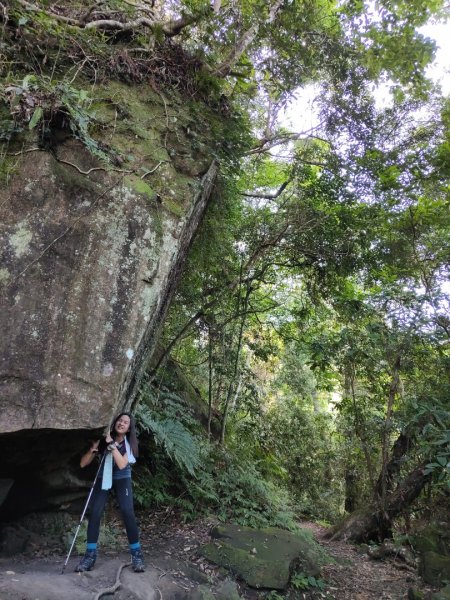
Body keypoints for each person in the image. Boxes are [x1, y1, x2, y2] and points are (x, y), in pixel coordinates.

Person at [75, 412, 145, 573]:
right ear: (115, 423)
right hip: (103, 477)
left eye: (125, 422)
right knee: (95, 512)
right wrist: (93, 449)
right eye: (119, 420)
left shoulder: (131, 445)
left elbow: (121, 464)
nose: (121, 423)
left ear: (128, 428)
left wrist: (111, 444)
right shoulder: (104, 440)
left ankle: (137, 555)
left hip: (122, 478)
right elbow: (82, 464)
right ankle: (90, 556)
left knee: (128, 512)